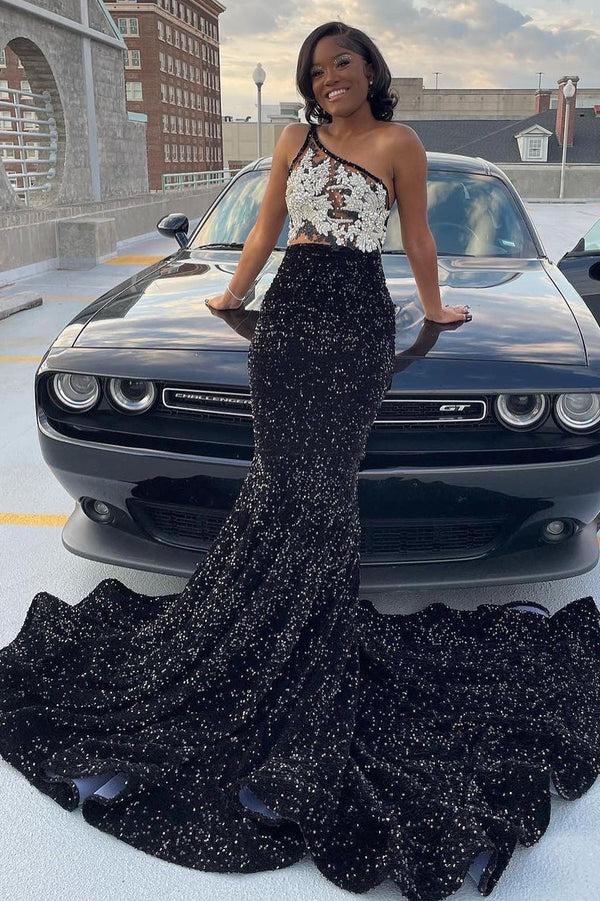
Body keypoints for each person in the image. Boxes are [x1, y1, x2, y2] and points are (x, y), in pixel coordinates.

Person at [0, 20, 599, 901]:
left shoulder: (400, 144)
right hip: (287, 318)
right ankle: (261, 634)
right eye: (316, 70)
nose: (329, 80)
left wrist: (436, 306)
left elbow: (419, 238)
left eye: (342, 64)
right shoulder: (290, 140)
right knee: (281, 482)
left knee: (323, 493)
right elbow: (265, 232)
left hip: (357, 317)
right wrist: (232, 293)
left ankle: (303, 642)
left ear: (369, 68)